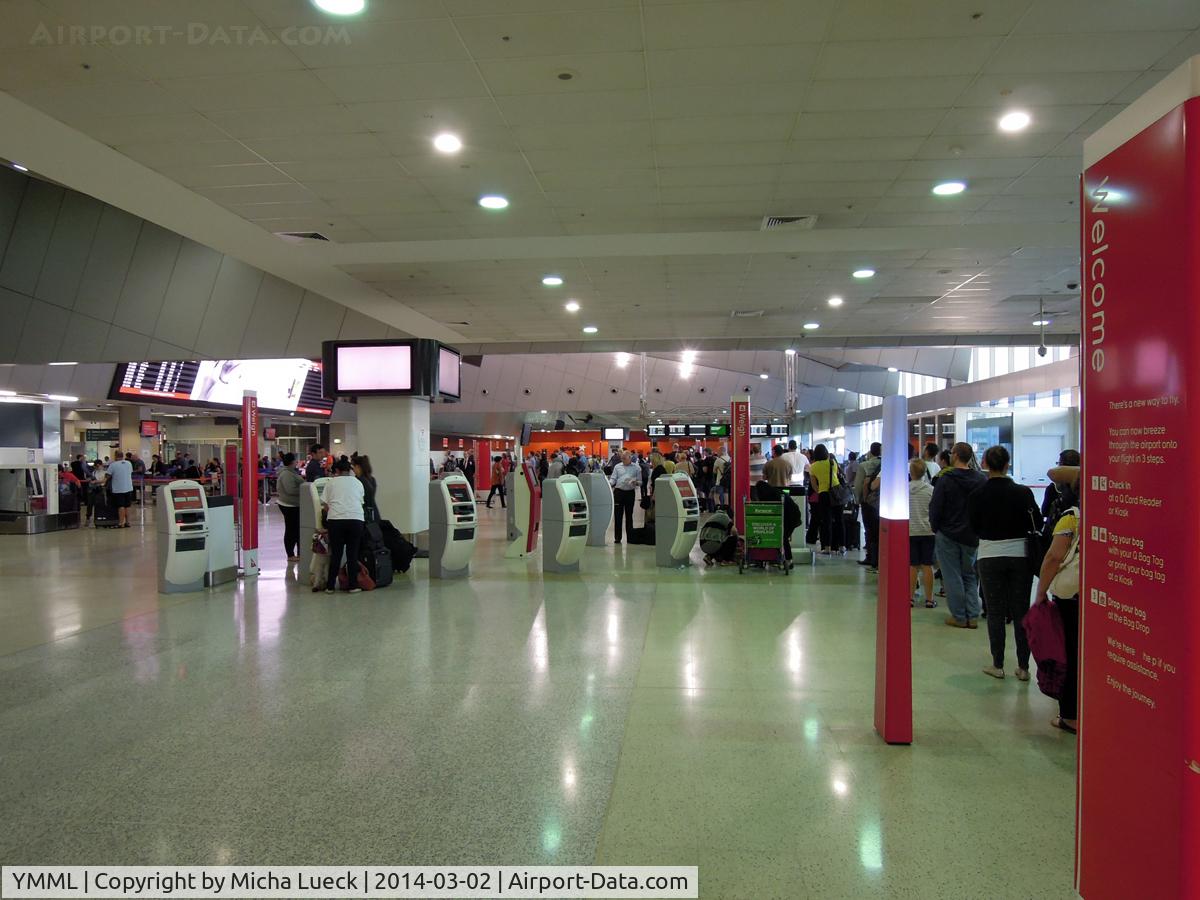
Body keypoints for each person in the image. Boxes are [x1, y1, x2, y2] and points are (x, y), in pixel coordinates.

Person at [969, 445, 1042, 680]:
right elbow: (1037, 522)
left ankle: (997, 663)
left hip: (989, 554)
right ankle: (1023, 667)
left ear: (985, 464)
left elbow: (973, 526)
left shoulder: (977, 494)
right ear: (1007, 464)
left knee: (995, 611)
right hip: (1020, 555)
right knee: (1021, 609)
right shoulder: (1022, 492)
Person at [1035, 463, 1082, 734]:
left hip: (1069, 594)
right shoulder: (1110, 513)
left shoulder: (1070, 517)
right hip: (1096, 596)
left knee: (1069, 653)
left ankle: (1070, 715)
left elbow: (1053, 557)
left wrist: (1041, 592)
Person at [930, 442, 987, 628]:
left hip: (948, 533)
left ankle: (959, 616)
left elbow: (936, 506)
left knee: (952, 575)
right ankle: (973, 615)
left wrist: (935, 526)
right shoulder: (980, 480)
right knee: (970, 575)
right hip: (971, 535)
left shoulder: (946, 479)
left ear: (955, 455)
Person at [321, 458, 365, 594]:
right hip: (356, 520)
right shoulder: (358, 483)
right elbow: (360, 502)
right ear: (349, 470)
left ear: (337, 471)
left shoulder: (331, 483)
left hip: (336, 521)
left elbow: (325, 505)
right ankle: (353, 585)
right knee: (352, 554)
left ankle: (330, 586)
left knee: (336, 554)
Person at [908, 458, 937, 608]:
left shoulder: (904, 490)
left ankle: (910, 597)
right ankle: (930, 599)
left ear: (910, 472)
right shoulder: (931, 490)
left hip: (911, 531)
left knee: (912, 565)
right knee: (927, 565)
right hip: (928, 531)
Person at [808, 444, 844, 554]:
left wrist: (820, 490)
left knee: (826, 521)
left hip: (824, 494)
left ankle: (827, 547)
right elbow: (837, 476)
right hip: (837, 492)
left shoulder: (813, 467)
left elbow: (814, 485)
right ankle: (842, 546)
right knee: (839, 520)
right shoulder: (832, 463)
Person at [854, 442, 883, 570]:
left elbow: (859, 485)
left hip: (869, 502)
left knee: (870, 529)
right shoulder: (885, 464)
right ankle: (881, 557)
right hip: (885, 501)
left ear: (870, 452)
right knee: (880, 529)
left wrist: (859, 500)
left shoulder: (864, 465)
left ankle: (871, 557)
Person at [608, 449, 640, 544]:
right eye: (622, 459)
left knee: (629, 515)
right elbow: (613, 478)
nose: (623, 460)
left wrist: (636, 482)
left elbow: (640, 481)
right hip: (619, 492)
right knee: (618, 516)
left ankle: (630, 537)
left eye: (624, 459)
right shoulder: (617, 467)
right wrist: (609, 484)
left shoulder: (636, 468)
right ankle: (617, 537)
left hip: (630, 493)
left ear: (630, 458)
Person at [276, 452, 303, 561]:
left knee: (296, 530)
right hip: (289, 506)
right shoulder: (287, 474)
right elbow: (290, 489)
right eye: (296, 460)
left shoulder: (291, 472)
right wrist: (305, 488)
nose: (297, 462)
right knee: (291, 530)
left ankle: (299, 553)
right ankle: (290, 554)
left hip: (294, 505)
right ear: (292, 462)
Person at [105, 450, 134, 528]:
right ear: (122, 456)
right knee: (127, 506)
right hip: (128, 487)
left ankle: (121, 523)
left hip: (118, 488)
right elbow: (130, 472)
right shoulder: (129, 463)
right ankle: (128, 522)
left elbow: (107, 476)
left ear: (115, 456)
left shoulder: (113, 465)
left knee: (121, 506)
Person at [353, 455, 380, 522]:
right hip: (373, 511)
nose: (353, 469)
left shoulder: (358, 481)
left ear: (357, 467)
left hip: (363, 513)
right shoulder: (372, 479)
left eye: (353, 466)